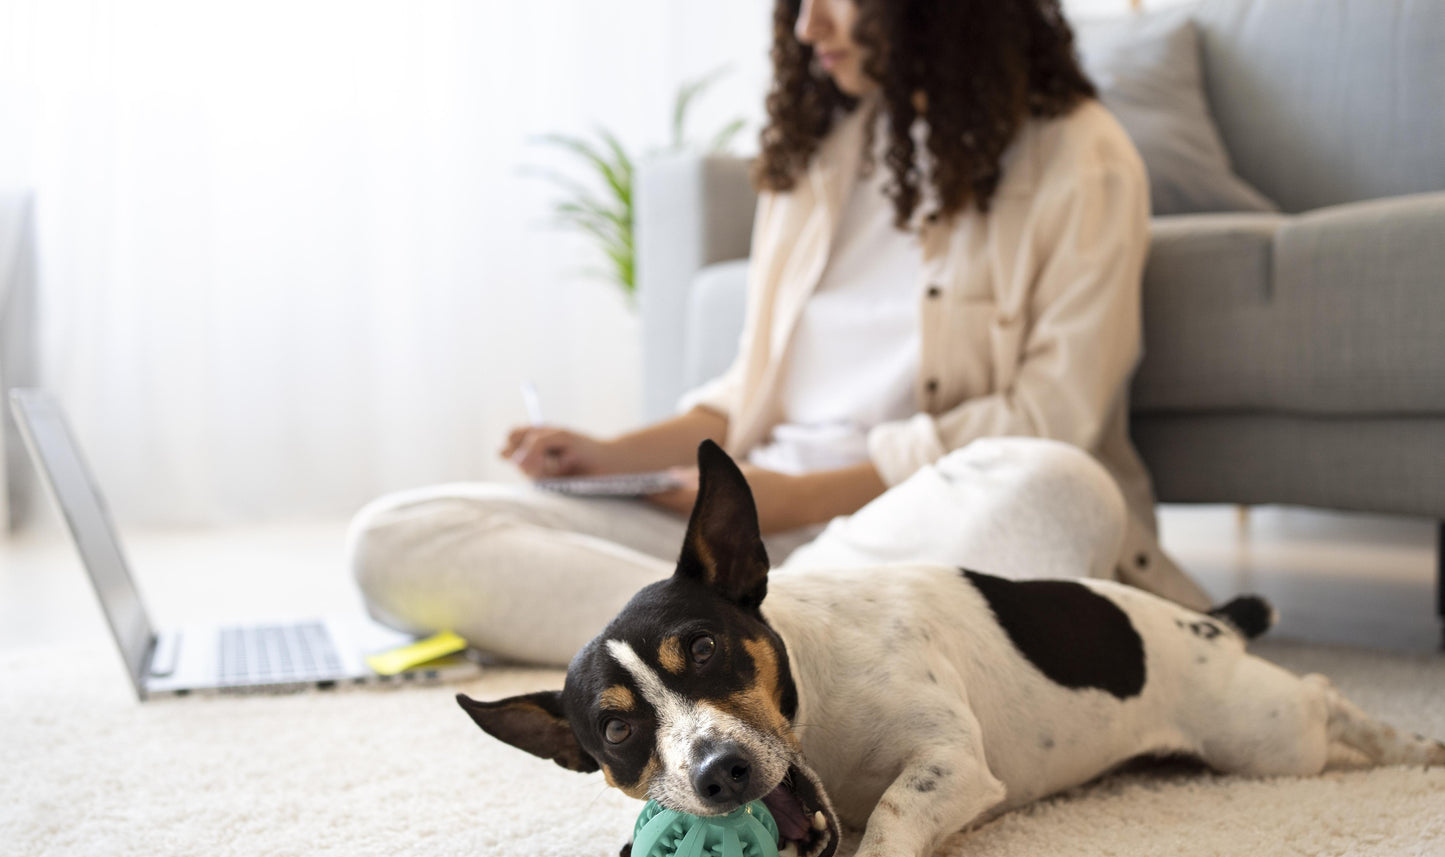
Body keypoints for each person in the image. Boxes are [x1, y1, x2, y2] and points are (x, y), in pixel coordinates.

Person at [347, 0, 1213, 667]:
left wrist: (787, 501)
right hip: (745, 542)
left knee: (1061, 490)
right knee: (396, 539)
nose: (807, 27)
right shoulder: (815, 160)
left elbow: (1048, 419)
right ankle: (766, 641)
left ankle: (706, 634)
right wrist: (609, 455)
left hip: (902, 530)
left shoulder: (1080, 156)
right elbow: (745, 396)